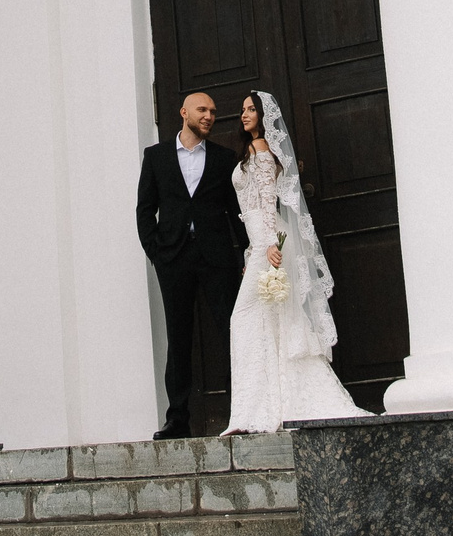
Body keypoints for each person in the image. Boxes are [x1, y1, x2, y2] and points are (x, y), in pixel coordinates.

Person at [225, 90, 367, 433]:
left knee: (241, 319)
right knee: (266, 322)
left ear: (263, 116)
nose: (244, 115)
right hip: (258, 243)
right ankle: (265, 408)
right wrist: (252, 250)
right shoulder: (252, 150)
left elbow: (267, 200)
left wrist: (270, 246)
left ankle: (258, 410)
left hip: (267, 243)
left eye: (251, 110)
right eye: (243, 110)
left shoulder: (260, 152)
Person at [136, 90, 247, 438]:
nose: (209, 116)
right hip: (174, 259)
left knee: (232, 333)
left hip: (218, 260)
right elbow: (144, 209)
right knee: (178, 339)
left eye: (213, 111)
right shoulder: (155, 157)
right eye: (202, 110)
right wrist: (157, 253)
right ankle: (177, 420)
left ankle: (239, 412)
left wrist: (245, 250)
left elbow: (235, 212)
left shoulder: (223, 158)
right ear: (184, 112)